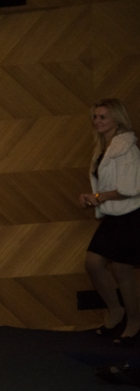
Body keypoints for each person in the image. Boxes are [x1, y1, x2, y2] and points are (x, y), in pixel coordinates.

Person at [79, 98, 140, 346]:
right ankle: (117, 311)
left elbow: (130, 188)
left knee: (122, 270)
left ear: (117, 118)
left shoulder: (126, 147)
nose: (97, 121)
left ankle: (134, 324)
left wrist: (97, 197)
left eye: (103, 116)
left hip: (131, 215)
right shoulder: (104, 148)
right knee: (93, 263)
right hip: (114, 216)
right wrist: (94, 198)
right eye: (95, 117)